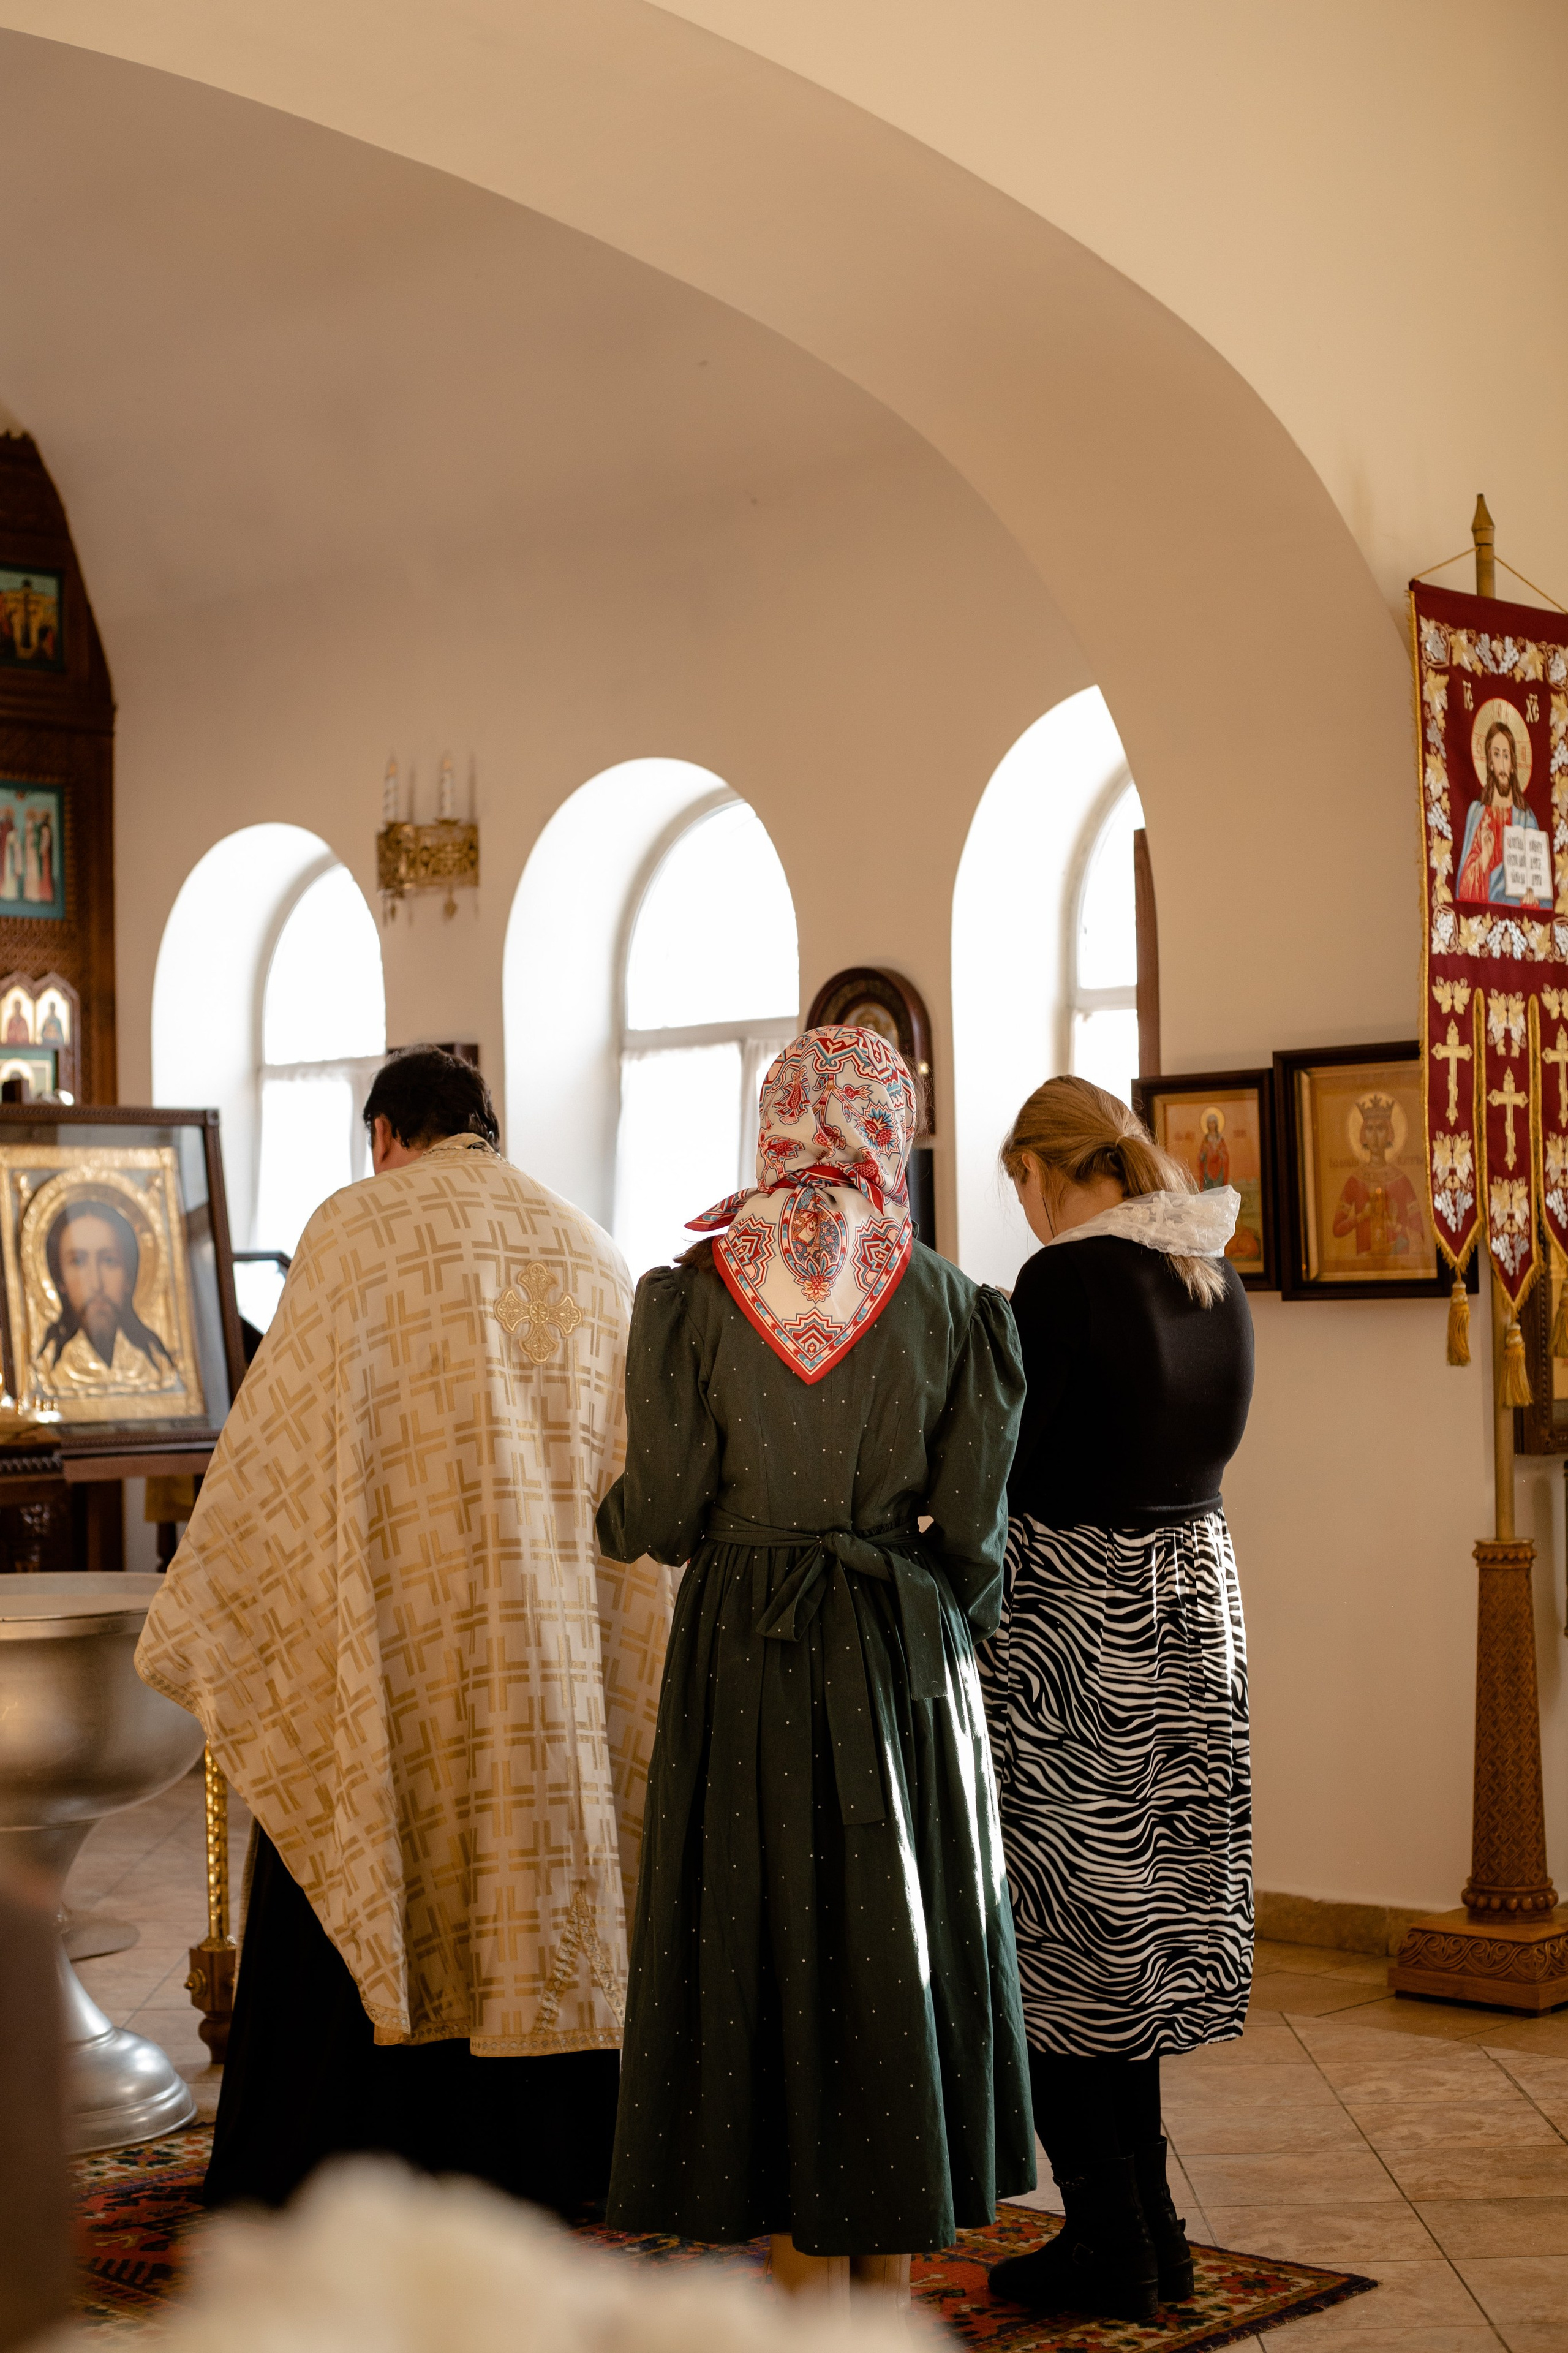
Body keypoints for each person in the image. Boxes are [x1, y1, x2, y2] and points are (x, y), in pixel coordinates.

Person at [137, 1047, 672, 2213]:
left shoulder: (359, 1228)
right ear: (487, 1125)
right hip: (554, 1669)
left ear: (385, 1133)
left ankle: (348, 2161)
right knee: (541, 1886)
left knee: (369, 1842)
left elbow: (278, 1459)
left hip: (400, 1646)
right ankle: (556, 2158)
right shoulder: (593, 1248)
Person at [598, 1025, 1034, 2306]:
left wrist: (621, 1517)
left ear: (777, 1121)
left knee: (760, 1942)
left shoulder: (691, 1293)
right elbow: (971, 1534)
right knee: (888, 1957)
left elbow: (666, 1510)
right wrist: (934, 1621)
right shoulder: (952, 1302)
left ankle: (792, 2297)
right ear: (889, 1127)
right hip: (895, 1653)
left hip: (741, 1648)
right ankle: (880, 2302)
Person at [981, 1075, 1254, 2325]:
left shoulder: (1066, 1280)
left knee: (1053, 1949)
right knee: (1125, 1958)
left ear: (1044, 1170)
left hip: (1072, 1633)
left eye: (1017, 1187)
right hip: (1187, 1612)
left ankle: (1109, 2238)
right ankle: (1150, 2234)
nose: (1023, 1212)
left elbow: (1011, 1465)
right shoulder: (1207, 1266)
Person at [35, 1198, 179, 1391]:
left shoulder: (158, 1367)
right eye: (78, 1262)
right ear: (60, 1281)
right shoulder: (45, 1370)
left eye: (109, 1261)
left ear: (129, 1276)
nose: (96, 1285)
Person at [1457, 716, 1540, 905]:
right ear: (1490, 763)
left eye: (1506, 755)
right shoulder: (1477, 814)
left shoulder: (1526, 818)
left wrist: (1532, 902)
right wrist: (1484, 857)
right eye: (1496, 754)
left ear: (1513, 765)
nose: (1502, 765)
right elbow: (1464, 893)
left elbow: (1539, 878)